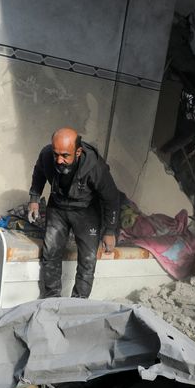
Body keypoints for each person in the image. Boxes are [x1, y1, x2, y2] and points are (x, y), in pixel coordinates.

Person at [27, 127, 120, 298]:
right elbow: (39, 173)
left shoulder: (95, 168)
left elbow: (112, 199)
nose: (59, 160)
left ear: (78, 152)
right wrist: (34, 199)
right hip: (58, 206)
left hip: (86, 211)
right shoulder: (47, 155)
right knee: (51, 252)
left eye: (65, 155)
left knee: (88, 260)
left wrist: (109, 231)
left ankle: (78, 303)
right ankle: (51, 299)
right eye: (56, 154)